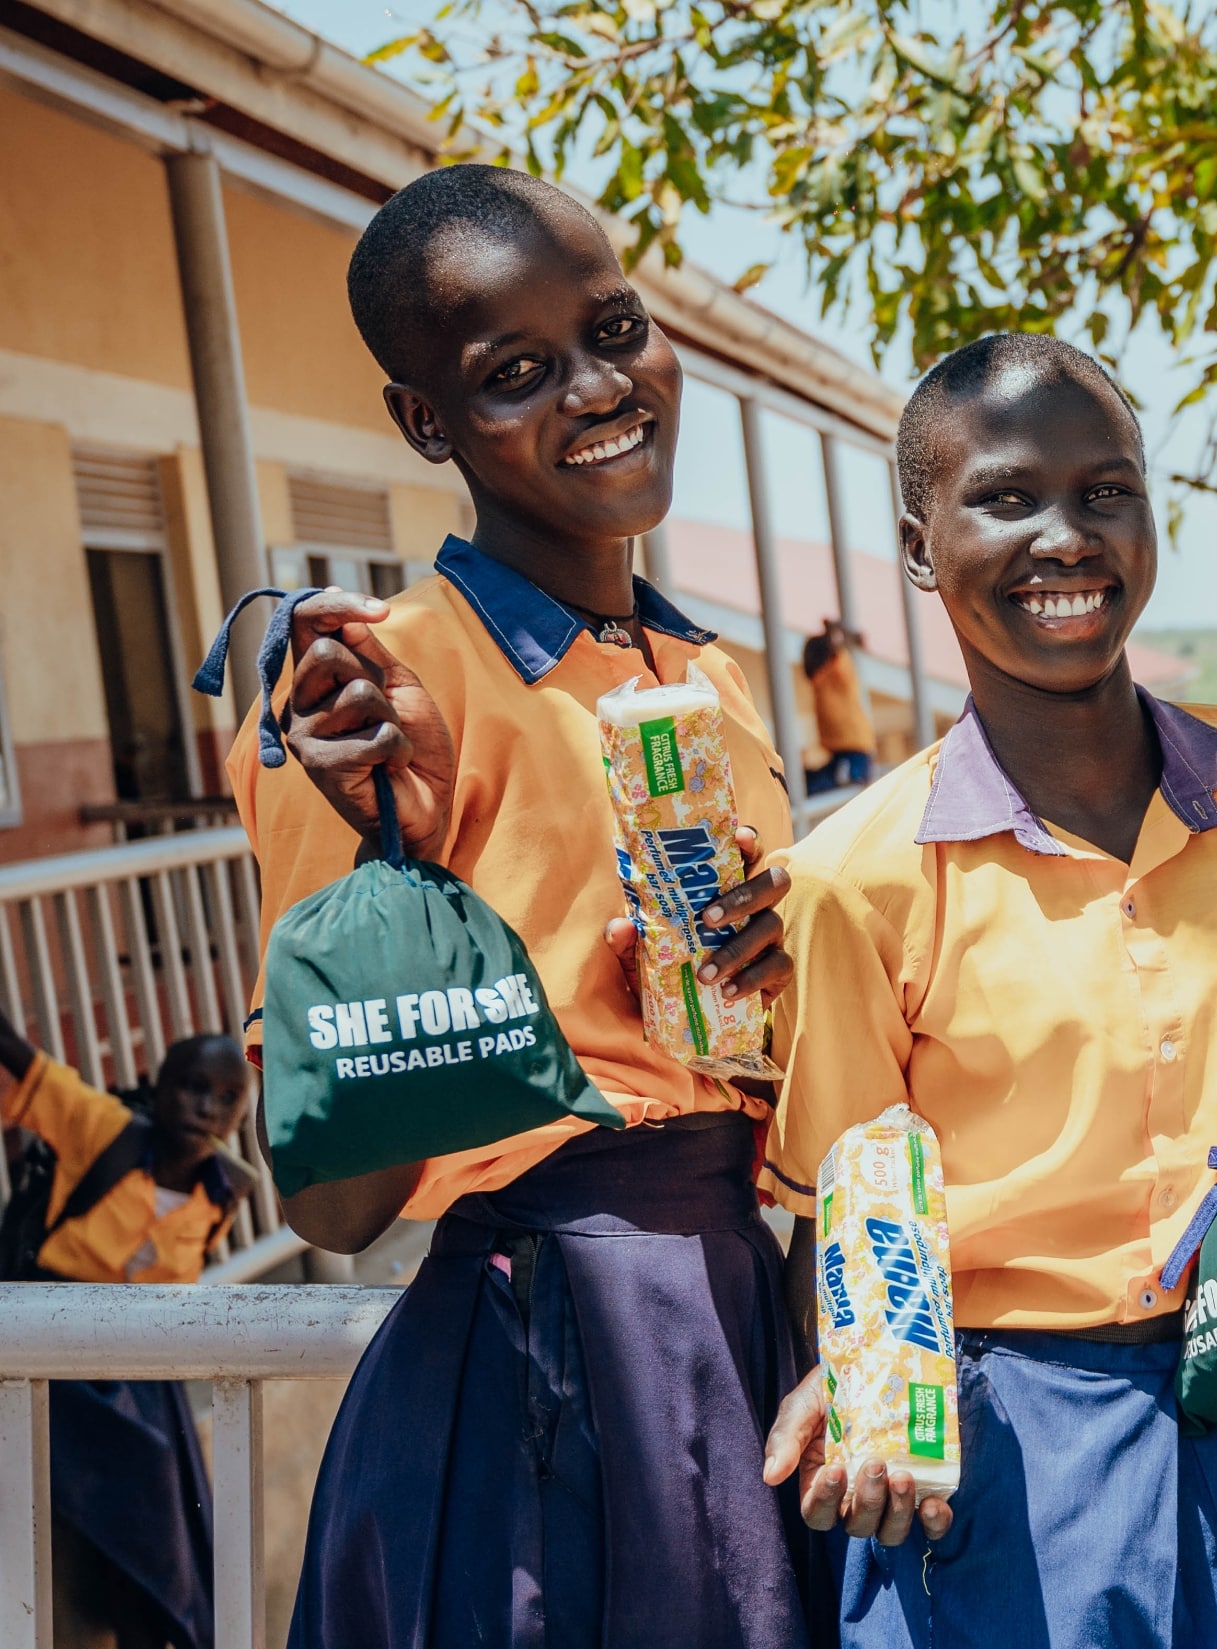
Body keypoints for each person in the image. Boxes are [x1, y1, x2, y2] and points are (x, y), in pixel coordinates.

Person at [755, 334, 1217, 1649]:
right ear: (919, 547)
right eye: (1007, 498)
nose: (1066, 537)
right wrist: (864, 1394)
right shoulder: (853, 878)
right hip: (1010, 1465)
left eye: (1106, 490)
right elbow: (841, 1229)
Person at [235, 164, 823, 1649]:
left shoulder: (712, 674)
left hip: (743, 1310)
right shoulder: (367, 692)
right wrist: (402, 880)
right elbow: (333, 1202)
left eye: (615, 331)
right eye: (516, 372)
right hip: (539, 1363)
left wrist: (794, 959)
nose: (600, 389)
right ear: (426, 422)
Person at [1, 1017, 248, 1649]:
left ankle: (159, 1629)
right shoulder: (104, 1128)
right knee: (146, 1471)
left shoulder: (225, 1190)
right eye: (193, 1087)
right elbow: (25, 1061)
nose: (208, 1108)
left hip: (141, 1361)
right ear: (158, 1086)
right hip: (58, 1343)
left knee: (181, 1502)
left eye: (227, 1099)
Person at [803, 618, 875, 793]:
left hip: (854, 750)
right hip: (838, 752)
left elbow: (836, 649)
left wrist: (832, 631)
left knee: (843, 788)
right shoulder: (819, 680)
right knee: (809, 783)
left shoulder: (838, 668)